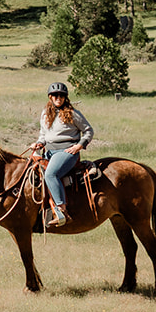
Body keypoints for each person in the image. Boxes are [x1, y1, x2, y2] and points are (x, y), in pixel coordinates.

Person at [27, 81, 92, 228]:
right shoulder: (45, 114)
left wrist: (79, 145)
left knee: (51, 174)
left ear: (65, 98)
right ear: (50, 97)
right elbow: (43, 134)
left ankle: (62, 210)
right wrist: (39, 143)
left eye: (61, 95)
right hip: (49, 151)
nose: (58, 98)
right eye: (55, 95)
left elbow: (88, 130)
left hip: (67, 151)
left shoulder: (73, 114)